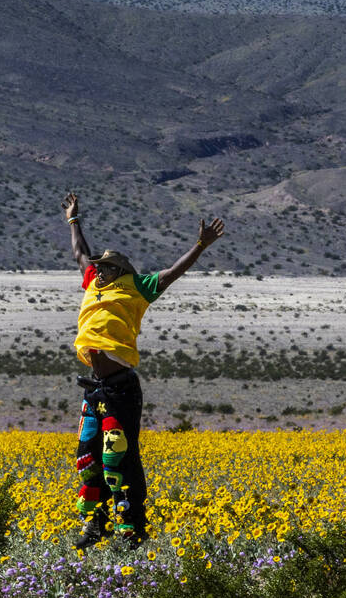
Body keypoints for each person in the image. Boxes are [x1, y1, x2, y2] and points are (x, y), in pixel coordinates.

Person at [63, 192, 225, 550]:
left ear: (119, 270)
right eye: (98, 267)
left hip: (120, 387)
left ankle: (132, 529)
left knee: (118, 456)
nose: (98, 269)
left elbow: (171, 274)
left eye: (105, 266)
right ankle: (96, 524)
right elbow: (79, 252)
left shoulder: (135, 287)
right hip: (94, 387)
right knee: (89, 457)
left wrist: (200, 245)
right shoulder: (92, 282)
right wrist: (74, 220)